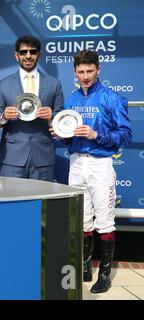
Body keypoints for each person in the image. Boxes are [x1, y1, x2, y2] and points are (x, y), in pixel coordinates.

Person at [52, 50, 132, 293]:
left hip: (100, 164)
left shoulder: (111, 98)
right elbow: (68, 138)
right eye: (81, 71)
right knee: (82, 218)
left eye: (90, 71)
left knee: (105, 221)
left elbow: (125, 135)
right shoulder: (72, 100)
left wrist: (97, 135)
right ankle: (85, 265)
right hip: (76, 163)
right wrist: (60, 135)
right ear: (74, 72)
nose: (85, 76)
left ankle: (105, 273)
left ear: (99, 70)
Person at [0, 35, 64, 181]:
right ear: (16, 56)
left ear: (39, 54)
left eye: (32, 52)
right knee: (11, 201)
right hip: (12, 158)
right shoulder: (4, 84)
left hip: (43, 157)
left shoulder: (53, 83)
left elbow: (61, 117)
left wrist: (52, 117)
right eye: (23, 52)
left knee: (41, 203)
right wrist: (3, 116)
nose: (28, 56)